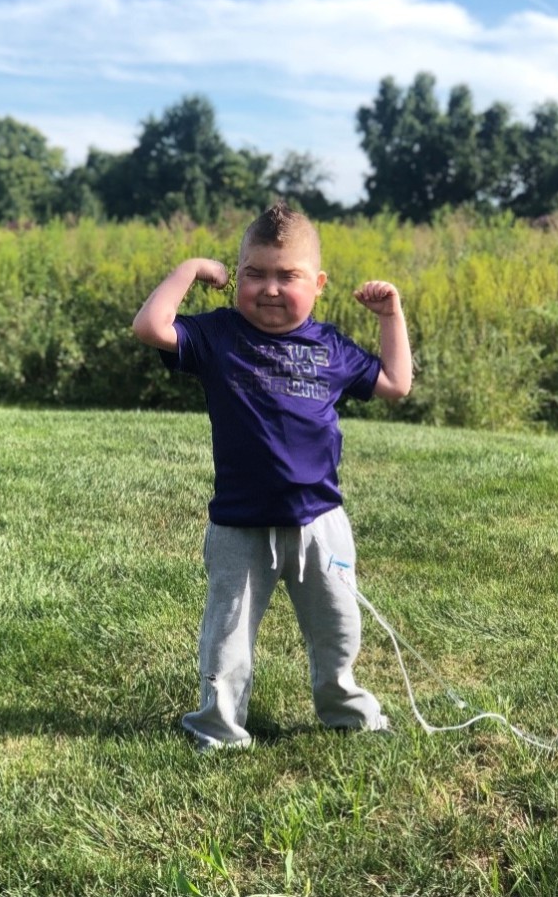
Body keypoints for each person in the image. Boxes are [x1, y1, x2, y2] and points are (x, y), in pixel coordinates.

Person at [132, 201, 413, 750]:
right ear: (236, 277)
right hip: (240, 527)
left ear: (319, 282)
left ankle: (346, 710)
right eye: (253, 274)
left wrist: (389, 316)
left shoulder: (330, 347)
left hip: (320, 522)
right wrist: (190, 268)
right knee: (227, 637)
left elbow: (396, 384)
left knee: (338, 630)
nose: (270, 289)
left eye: (288, 276)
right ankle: (219, 727)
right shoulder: (218, 336)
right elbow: (149, 327)